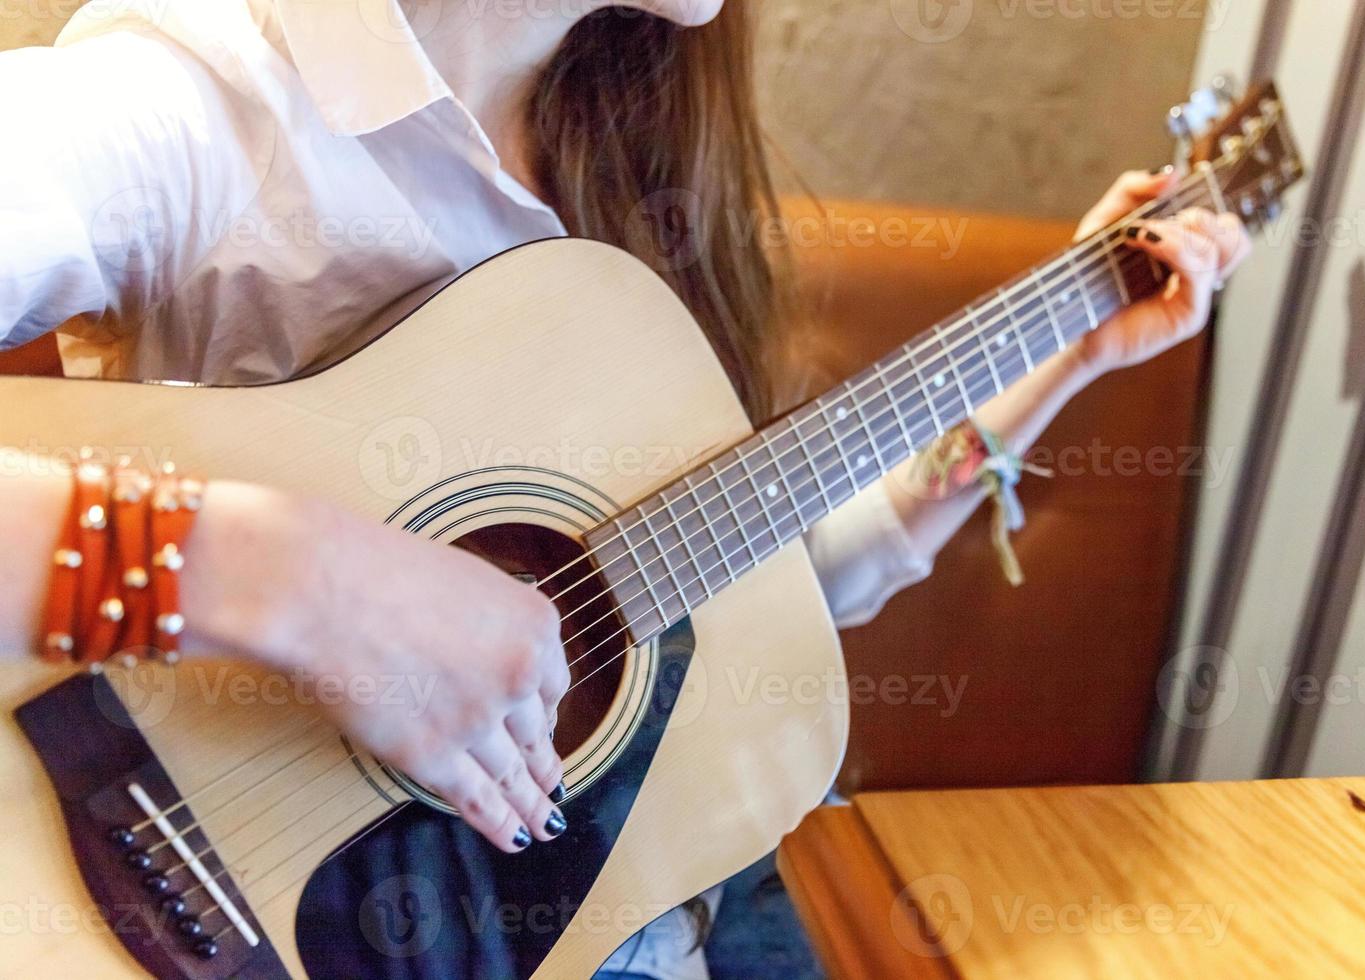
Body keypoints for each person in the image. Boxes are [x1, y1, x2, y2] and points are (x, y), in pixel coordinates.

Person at [0, 1, 1248, 976]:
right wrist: (310, 583)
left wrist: (1057, 357)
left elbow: (755, 592)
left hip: (643, 921)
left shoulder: (626, 150)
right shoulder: (191, 108)